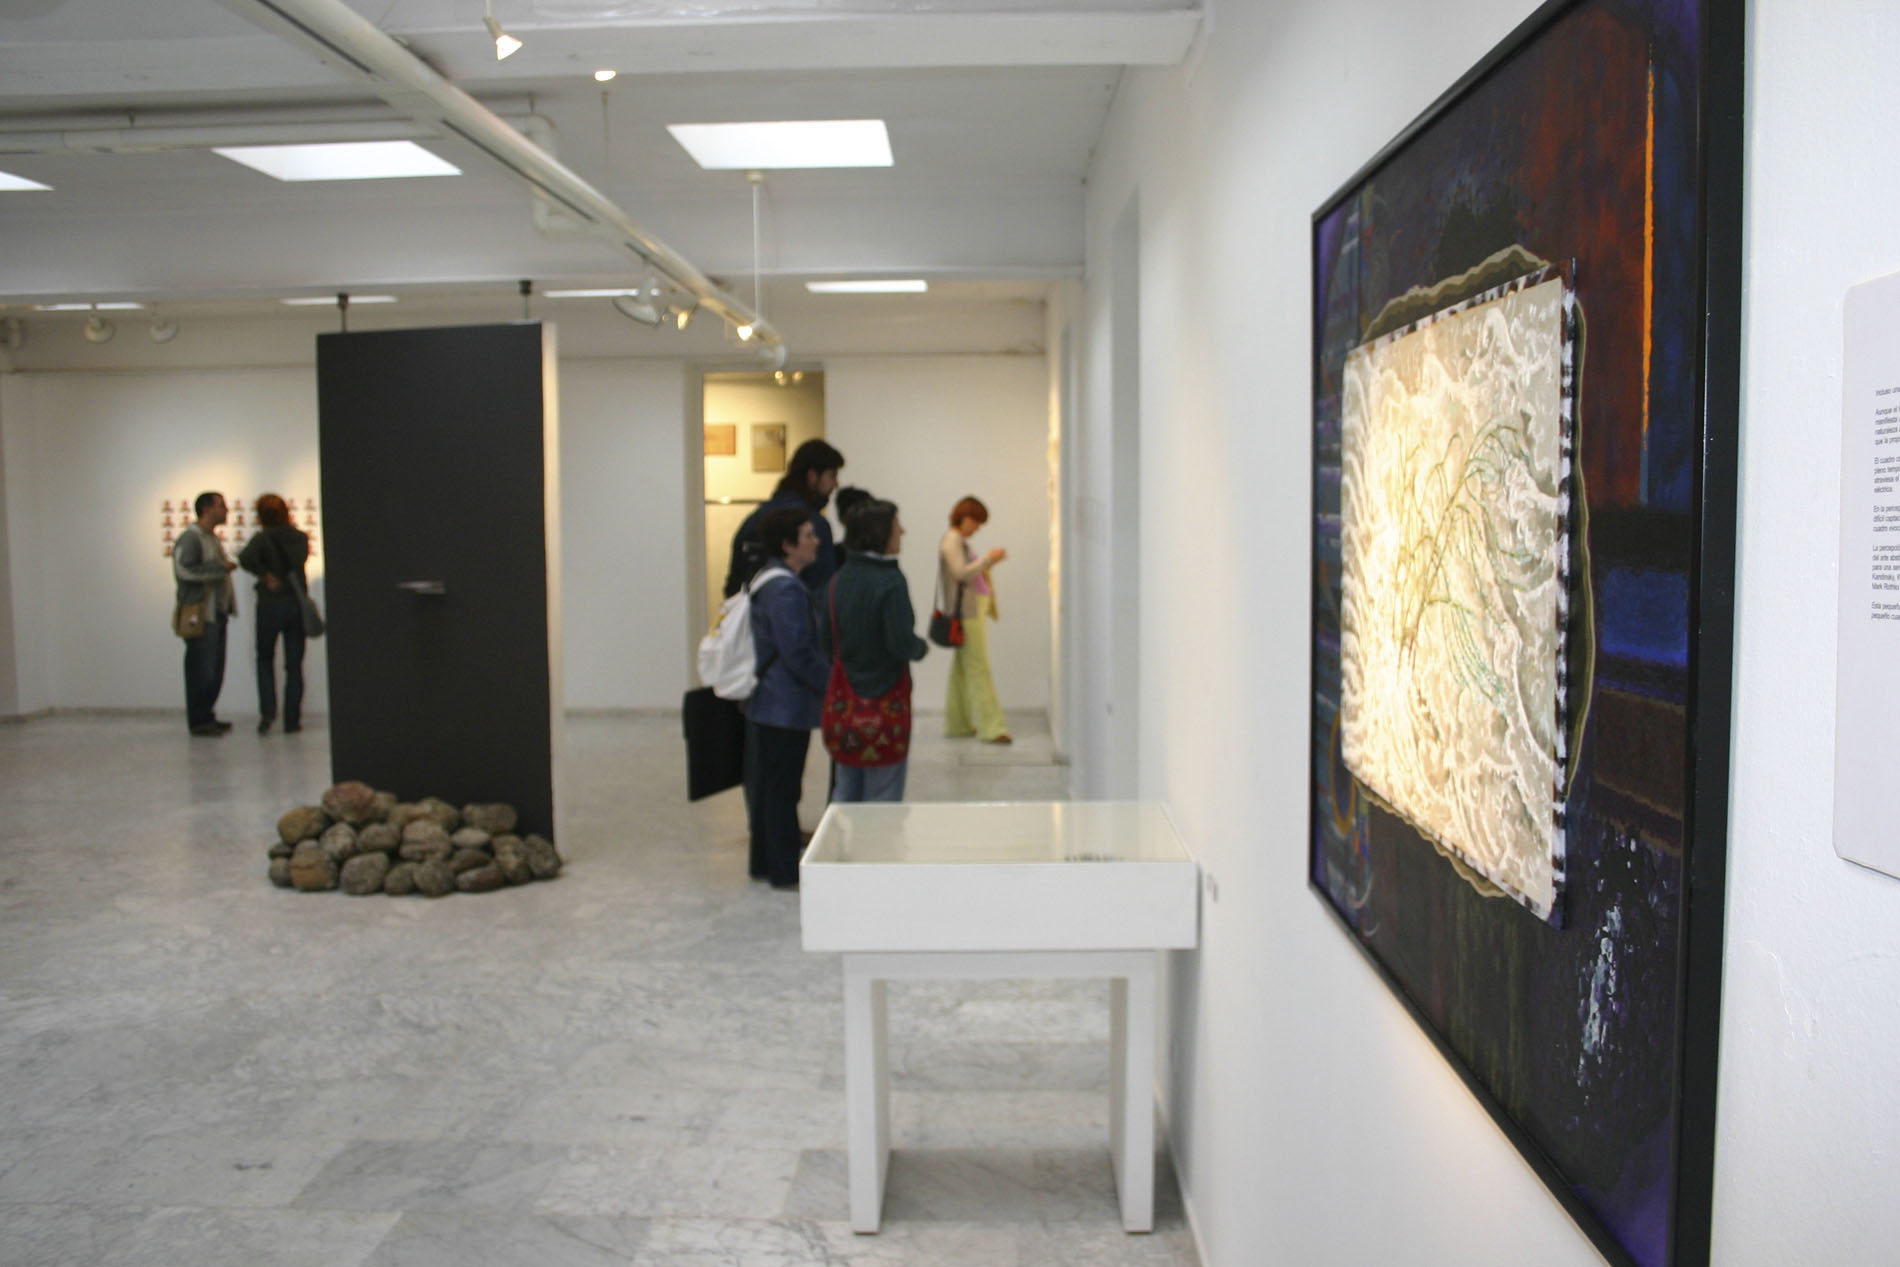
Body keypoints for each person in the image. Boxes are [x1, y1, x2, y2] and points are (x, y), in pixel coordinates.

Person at [742, 507, 830, 888]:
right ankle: (782, 868)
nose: (816, 541)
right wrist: (831, 683)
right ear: (787, 544)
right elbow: (797, 652)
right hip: (785, 704)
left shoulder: (769, 580)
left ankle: (764, 862)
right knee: (783, 788)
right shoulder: (786, 589)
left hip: (770, 701)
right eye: (808, 535)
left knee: (770, 786)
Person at [825, 498, 928, 801]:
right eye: (897, 526)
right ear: (879, 532)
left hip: (846, 702)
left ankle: (840, 835)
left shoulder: (839, 579)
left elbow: (825, 640)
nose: (903, 532)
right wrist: (920, 648)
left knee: (846, 790)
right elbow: (900, 643)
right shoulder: (890, 581)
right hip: (886, 701)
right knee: (883, 796)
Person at [723, 438, 845, 598]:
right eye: (832, 476)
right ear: (812, 476)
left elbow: (734, 586)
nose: (836, 484)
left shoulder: (753, 520)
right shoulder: (814, 525)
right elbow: (823, 590)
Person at [939, 495, 1011, 744]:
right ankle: (992, 728)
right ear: (965, 517)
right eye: (976, 521)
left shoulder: (957, 541)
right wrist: (988, 559)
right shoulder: (952, 540)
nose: (977, 528)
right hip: (968, 612)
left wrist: (987, 562)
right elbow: (961, 573)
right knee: (979, 668)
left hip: (971, 609)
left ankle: (958, 724)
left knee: (962, 670)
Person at [237, 493, 310, 735]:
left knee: (265, 659)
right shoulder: (299, 538)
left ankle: (268, 714)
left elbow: (244, 558)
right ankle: (292, 720)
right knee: (294, 665)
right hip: (295, 604)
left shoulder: (262, 539)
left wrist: (265, 574)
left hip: (269, 605)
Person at [172, 490, 238, 737]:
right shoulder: (191, 538)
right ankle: (199, 720)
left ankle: (207, 715)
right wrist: (219, 569)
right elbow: (183, 570)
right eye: (222, 506)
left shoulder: (211, 538)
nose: (226, 510)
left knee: (214, 668)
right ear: (207, 509)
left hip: (216, 613)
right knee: (201, 668)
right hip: (200, 614)